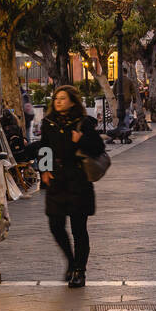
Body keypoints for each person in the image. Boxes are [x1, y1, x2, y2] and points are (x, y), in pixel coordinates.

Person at [39, 84, 106, 289]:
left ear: (72, 101)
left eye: (62, 98)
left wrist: (82, 139)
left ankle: (79, 271)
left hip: (78, 179)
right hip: (57, 179)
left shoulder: (83, 123)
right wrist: (44, 170)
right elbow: (45, 147)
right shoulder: (48, 122)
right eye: (56, 98)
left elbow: (99, 147)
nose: (58, 101)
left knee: (79, 228)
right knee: (55, 225)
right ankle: (71, 260)